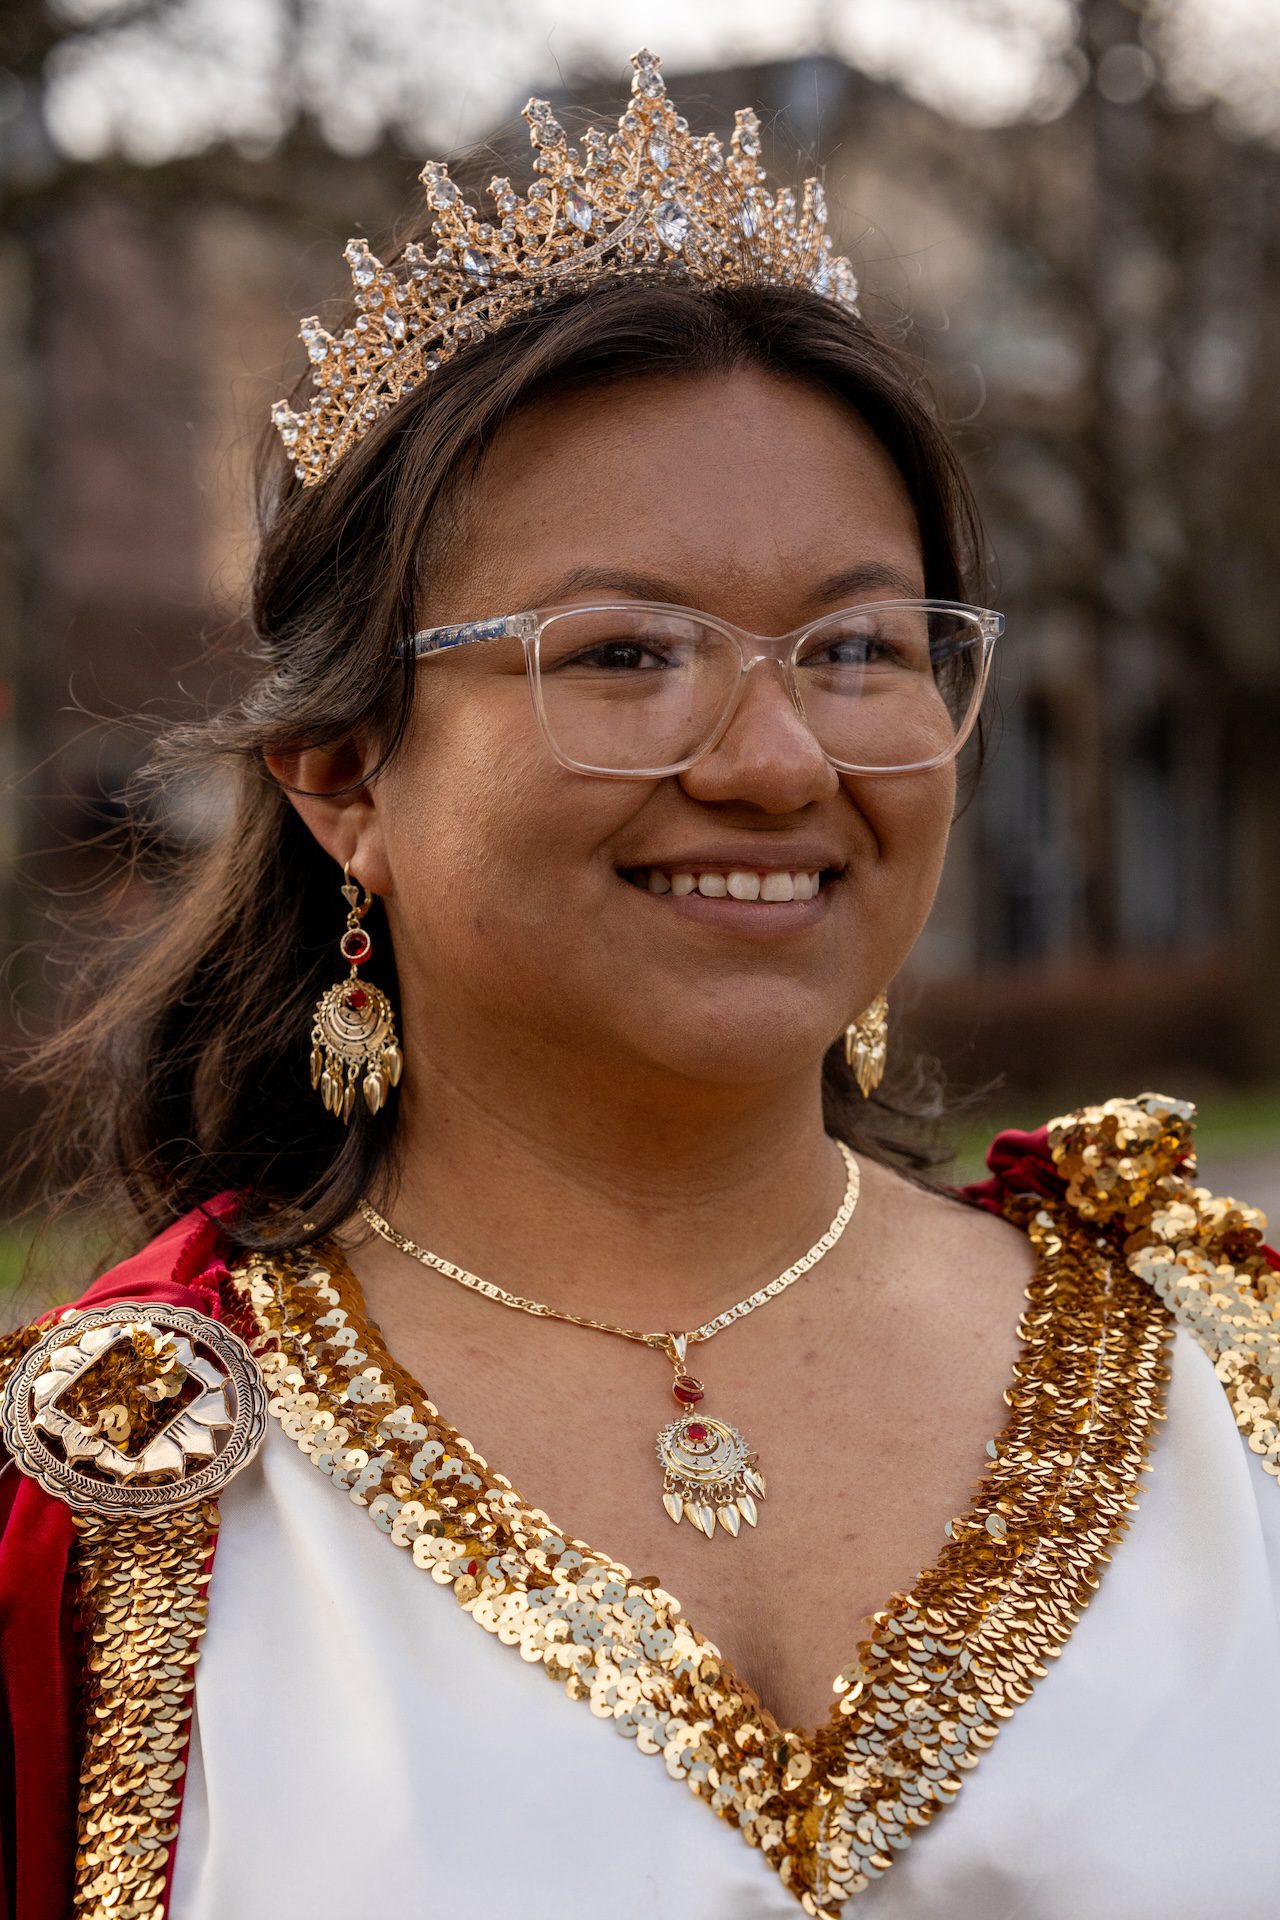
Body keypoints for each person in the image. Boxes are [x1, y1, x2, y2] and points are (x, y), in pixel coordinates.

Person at [2, 47, 1277, 1920]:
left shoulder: (1222, 1382)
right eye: (621, 652)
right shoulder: (119, 1502)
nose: (778, 759)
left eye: (859, 644)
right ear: (342, 771)